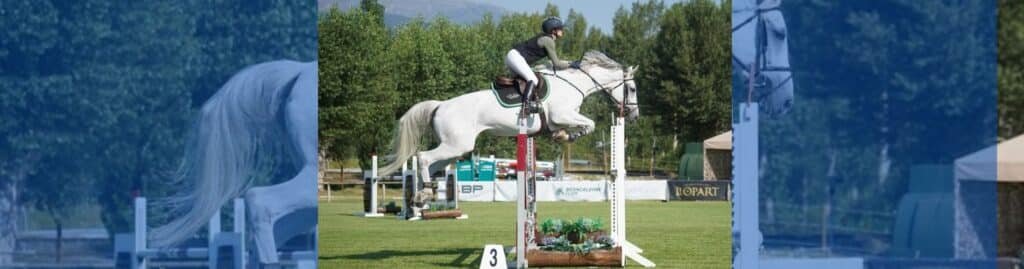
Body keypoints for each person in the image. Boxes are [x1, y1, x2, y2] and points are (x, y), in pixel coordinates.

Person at [506, 17, 581, 113]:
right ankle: (526, 106)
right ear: (553, 30)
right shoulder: (548, 41)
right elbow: (557, 64)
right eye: (560, 28)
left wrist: (570, 62)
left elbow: (552, 62)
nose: (562, 30)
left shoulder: (547, 39)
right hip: (516, 57)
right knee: (533, 79)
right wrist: (571, 65)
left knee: (523, 82)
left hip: (513, 56)